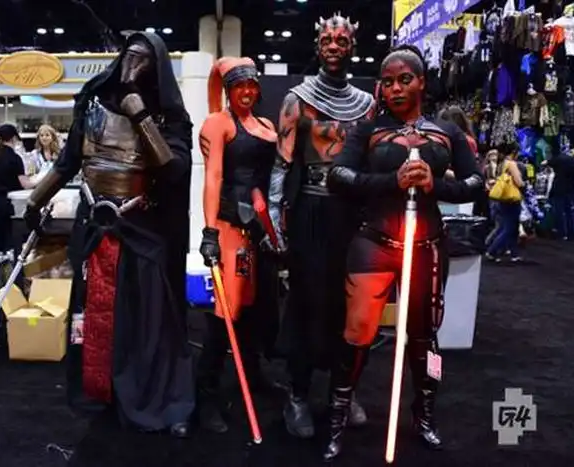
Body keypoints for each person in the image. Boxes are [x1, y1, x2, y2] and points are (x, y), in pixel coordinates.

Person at [23, 31, 195, 437]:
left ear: (157, 68)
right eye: (129, 55)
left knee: (149, 320)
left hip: (142, 229)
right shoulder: (93, 102)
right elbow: (67, 163)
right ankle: (102, 391)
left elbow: (173, 170)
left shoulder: (167, 115)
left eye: (144, 60)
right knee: (97, 318)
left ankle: (157, 398)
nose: (133, 66)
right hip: (97, 228)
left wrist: (140, 113)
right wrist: (34, 202)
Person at [325, 45, 483, 460]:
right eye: (388, 82)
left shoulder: (447, 133)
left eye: (404, 80)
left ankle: (426, 413)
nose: (395, 88)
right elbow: (338, 176)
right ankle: (337, 414)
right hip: (374, 243)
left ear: (421, 82)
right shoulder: (367, 130)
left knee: (426, 338)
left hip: (427, 246)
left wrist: (436, 185)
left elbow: (475, 183)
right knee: (357, 332)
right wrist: (390, 181)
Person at [267, 12, 376, 439]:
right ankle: (297, 395)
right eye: (327, 40)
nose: (334, 46)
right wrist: (275, 223)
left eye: (341, 41)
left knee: (350, 307)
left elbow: (372, 162)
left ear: (352, 47)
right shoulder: (297, 99)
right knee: (305, 303)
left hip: (350, 214)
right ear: (318, 45)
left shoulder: (367, 104)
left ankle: (340, 393)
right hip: (310, 212)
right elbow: (282, 164)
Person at [196, 57, 279, 433]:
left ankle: (253, 374)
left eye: (251, 85)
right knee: (225, 310)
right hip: (230, 228)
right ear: (229, 90)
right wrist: (209, 231)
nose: (246, 92)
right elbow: (213, 177)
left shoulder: (267, 126)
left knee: (254, 306)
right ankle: (206, 394)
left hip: (259, 230)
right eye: (238, 86)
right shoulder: (218, 123)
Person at [0, 123, 36, 253]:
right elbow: (25, 184)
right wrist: (41, 180)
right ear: (14, 138)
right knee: (10, 244)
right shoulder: (15, 158)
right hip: (9, 205)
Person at [486, 151, 525, 262]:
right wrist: (524, 184)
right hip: (512, 199)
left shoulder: (500, 164)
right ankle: (492, 251)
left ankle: (514, 254)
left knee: (509, 228)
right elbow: (519, 182)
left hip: (501, 199)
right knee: (509, 229)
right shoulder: (511, 164)